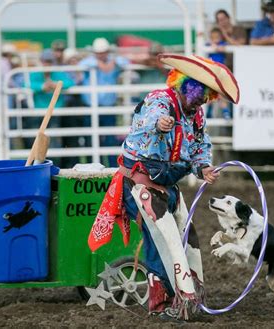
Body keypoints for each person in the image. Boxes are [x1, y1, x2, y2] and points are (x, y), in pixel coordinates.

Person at [88, 53, 240, 321]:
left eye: (207, 96)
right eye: (201, 95)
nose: (203, 101)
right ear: (188, 88)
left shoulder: (196, 115)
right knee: (161, 242)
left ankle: (189, 300)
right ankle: (164, 305)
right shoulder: (159, 100)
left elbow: (199, 145)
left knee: (184, 240)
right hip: (140, 181)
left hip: (165, 183)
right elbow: (149, 120)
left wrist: (202, 167)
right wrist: (160, 123)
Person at [79, 38, 130, 167]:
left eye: (103, 52)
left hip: (108, 107)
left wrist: (110, 62)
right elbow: (81, 65)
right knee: (91, 139)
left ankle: (112, 167)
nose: (101, 55)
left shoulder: (115, 61)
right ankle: (94, 166)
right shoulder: (89, 62)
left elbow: (126, 62)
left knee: (110, 140)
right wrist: (102, 64)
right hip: (91, 106)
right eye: (98, 52)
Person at [27, 49, 75, 163]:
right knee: (36, 140)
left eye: (49, 61)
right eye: (45, 61)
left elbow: (70, 82)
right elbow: (26, 84)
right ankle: (38, 163)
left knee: (54, 141)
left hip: (54, 112)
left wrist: (56, 85)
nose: (47, 64)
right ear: (41, 61)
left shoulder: (58, 73)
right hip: (39, 111)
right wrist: (42, 86)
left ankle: (52, 163)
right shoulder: (35, 74)